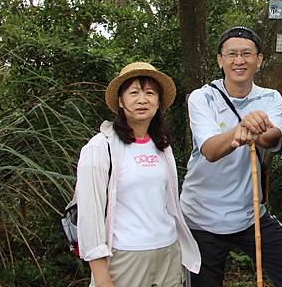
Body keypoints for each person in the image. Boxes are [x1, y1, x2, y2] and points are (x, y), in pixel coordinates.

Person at [180, 26, 282, 287]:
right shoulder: (202, 97)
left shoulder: (269, 97)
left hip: (249, 214)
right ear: (220, 60)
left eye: (246, 54)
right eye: (231, 54)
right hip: (200, 218)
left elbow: (272, 137)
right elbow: (210, 150)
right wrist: (242, 128)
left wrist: (257, 130)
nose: (238, 61)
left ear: (259, 59)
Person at [75, 62, 201, 287]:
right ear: (121, 101)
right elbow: (90, 215)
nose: (142, 99)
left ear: (158, 102)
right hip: (126, 258)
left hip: (168, 254)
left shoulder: (162, 147)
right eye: (134, 92)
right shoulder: (100, 148)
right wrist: (102, 277)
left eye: (150, 93)